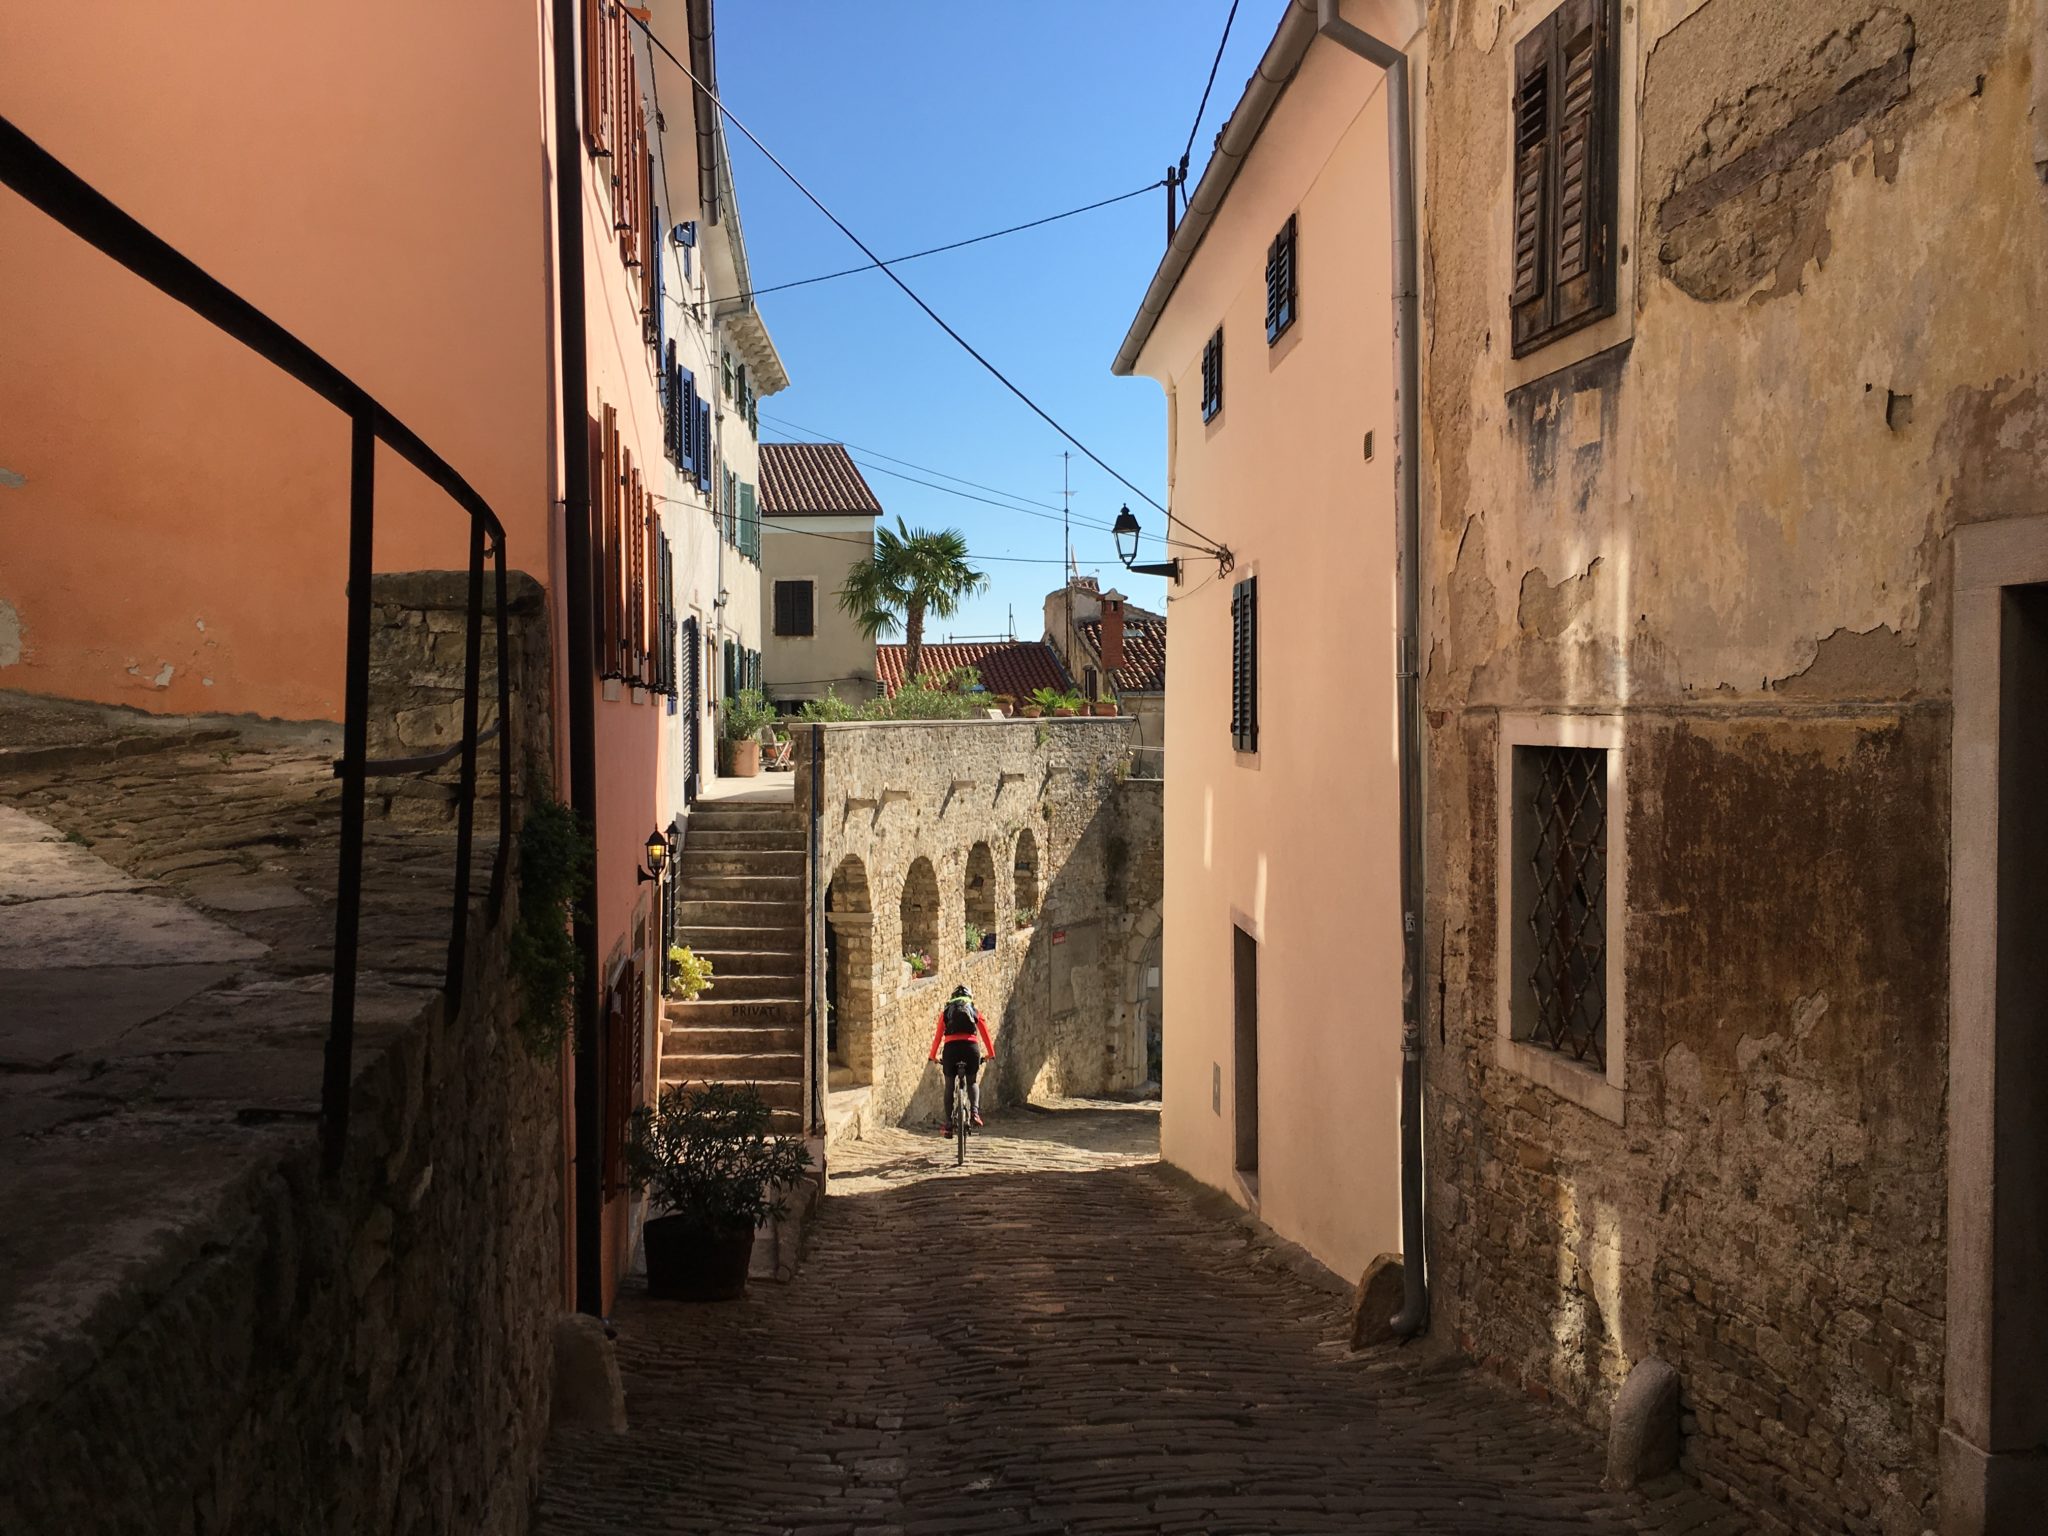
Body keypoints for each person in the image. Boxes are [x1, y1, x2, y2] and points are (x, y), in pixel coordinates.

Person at [927, 983, 995, 1135]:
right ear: (969, 998)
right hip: (971, 1049)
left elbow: (938, 1037)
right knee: (972, 1082)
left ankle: (949, 1123)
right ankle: (975, 1113)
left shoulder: (946, 1012)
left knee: (949, 1085)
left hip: (951, 1050)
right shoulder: (974, 1010)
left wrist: (933, 1056)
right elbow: (985, 1034)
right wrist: (990, 1054)